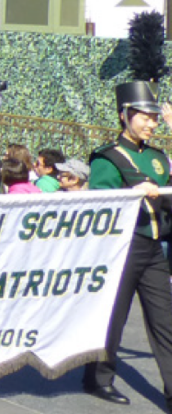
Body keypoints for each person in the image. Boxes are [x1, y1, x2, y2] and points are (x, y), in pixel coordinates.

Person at [82, 81, 172, 412]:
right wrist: (136, 192)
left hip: (152, 248)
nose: (151, 123)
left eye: (154, 118)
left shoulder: (159, 157)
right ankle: (98, 378)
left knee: (165, 321)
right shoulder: (108, 158)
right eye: (145, 117)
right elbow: (100, 207)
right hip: (121, 249)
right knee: (113, 318)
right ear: (125, 115)